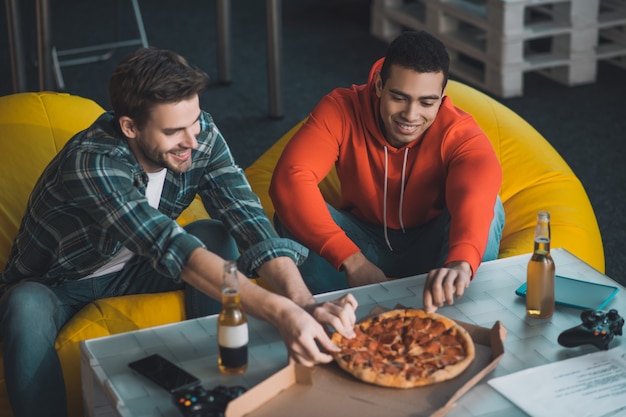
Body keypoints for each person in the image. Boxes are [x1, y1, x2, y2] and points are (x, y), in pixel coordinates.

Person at [0, 48, 357, 417]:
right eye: (173, 131)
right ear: (129, 127)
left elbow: (248, 219)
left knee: (217, 236)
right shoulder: (92, 162)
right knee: (23, 304)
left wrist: (304, 302)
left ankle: (221, 389)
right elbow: (170, 246)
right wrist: (281, 313)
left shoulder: (200, 138)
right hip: (60, 281)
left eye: (195, 121)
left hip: (135, 267)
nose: (192, 140)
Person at [269, 30, 504, 313]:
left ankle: (458, 316)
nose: (411, 114)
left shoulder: (458, 131)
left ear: (441, 98)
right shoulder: (341, 109)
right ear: (379, 84)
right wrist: (352, 259)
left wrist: (461, 261)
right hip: (361, 242)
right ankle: (334, 318)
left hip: (431, 248)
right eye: (399, 97)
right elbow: (290, 180)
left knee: (491, 206)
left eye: (427, 102)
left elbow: (476, 190)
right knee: (287, 214)